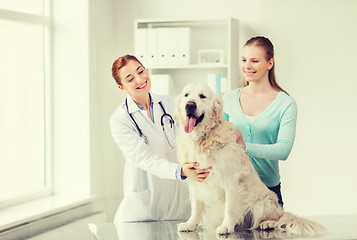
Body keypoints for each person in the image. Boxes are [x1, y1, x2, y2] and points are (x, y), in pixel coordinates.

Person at [110, 54, 210, 223]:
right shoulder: (120, 120)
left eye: (140, 71)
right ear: (122, 87)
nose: (140, 79)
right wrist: (180, 171)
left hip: (178, 204)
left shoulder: (168, 102)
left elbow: (190, 136)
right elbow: (144, 158)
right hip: (143, 210)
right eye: (130, 78)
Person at [222, 36, 297, 207]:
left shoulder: (285, 104)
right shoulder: (228, 99)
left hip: (267, 190)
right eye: (244, 60)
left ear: (270, 63)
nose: (247, 66)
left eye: (254, 61)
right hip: (233, 189)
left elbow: (283, 150)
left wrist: (245, 146)